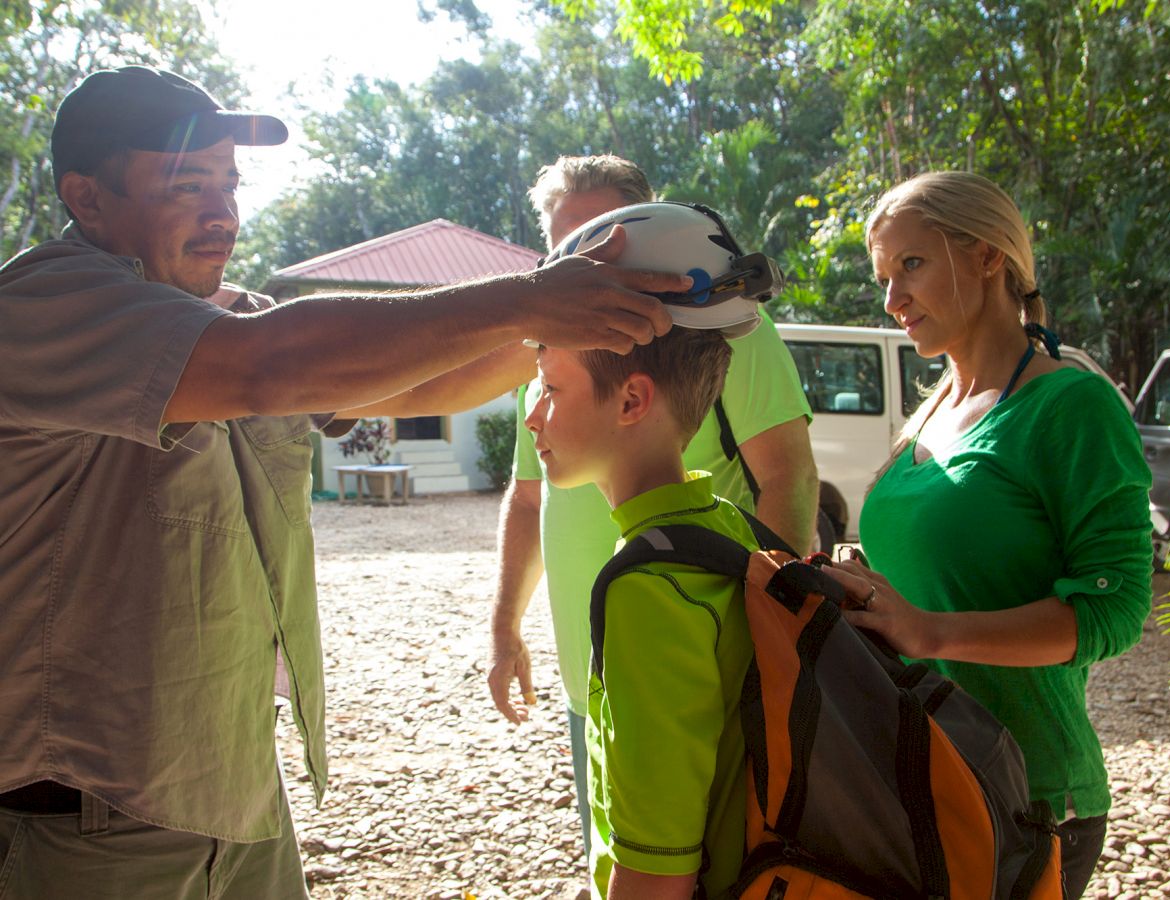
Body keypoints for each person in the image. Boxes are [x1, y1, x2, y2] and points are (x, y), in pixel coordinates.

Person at [0, 65, 691, 898]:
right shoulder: (42, 304)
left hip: (230, 784)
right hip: (87, 814)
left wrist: (603, 312)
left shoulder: (233, 316)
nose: (223, 212)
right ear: (88, 197)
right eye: (187, 185)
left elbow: (415, 386)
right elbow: (266, 369)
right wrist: (530, 302)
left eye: (229, 182)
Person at [824, 171, 1152, 900]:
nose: (891, 300)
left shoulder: (1072, 406)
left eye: (911, 264)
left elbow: (1117, 607)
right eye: (883, 276)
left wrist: (930, 632)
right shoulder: (933, 406)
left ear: (987, 258)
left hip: (1025, 793)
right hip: (914, 771)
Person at [487, 155, 818, 864]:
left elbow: (786, 478)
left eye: (601, 240)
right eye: (562, 247)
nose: (578, 267)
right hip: (596, 663)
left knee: (700, 851)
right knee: (618, 836)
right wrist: (505, 626)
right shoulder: (556, 355)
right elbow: (527, 497)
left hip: (685, 644)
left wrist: (778, 641)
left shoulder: (713, 328)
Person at [524, 316, 753, 899]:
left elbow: (659, 873)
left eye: (550, 389)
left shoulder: (648, 588)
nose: (532, 416)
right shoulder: (727, 523)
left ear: (631, 400)